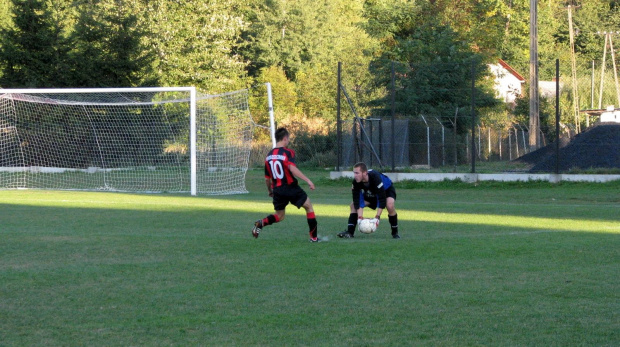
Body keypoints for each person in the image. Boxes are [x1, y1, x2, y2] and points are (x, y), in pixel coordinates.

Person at [252, 127, 319, 242]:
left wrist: (269, 191)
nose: (288, 141)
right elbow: (292, 169)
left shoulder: (268, 156)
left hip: (277, 190)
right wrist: (308, 180)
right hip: (290, 187)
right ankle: (313, 238)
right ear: (285, 138)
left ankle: (261, 223)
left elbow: (267, 179)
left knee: (280, 216)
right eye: (288, 139)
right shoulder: (288, 152)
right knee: (308, 206)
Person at [337, 162, 400, 239]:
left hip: (386, 190)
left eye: (357, 173)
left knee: (389, 205)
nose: (355, 175)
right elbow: (358, 200)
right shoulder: (356, 182)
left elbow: (382, 198)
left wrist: (377, 218)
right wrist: (360, 218)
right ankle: (350, 232)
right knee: (353, 205)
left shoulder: (375, 177)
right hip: (372, 193)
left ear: (365, 173)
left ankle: (395, 233)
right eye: (354, 173)